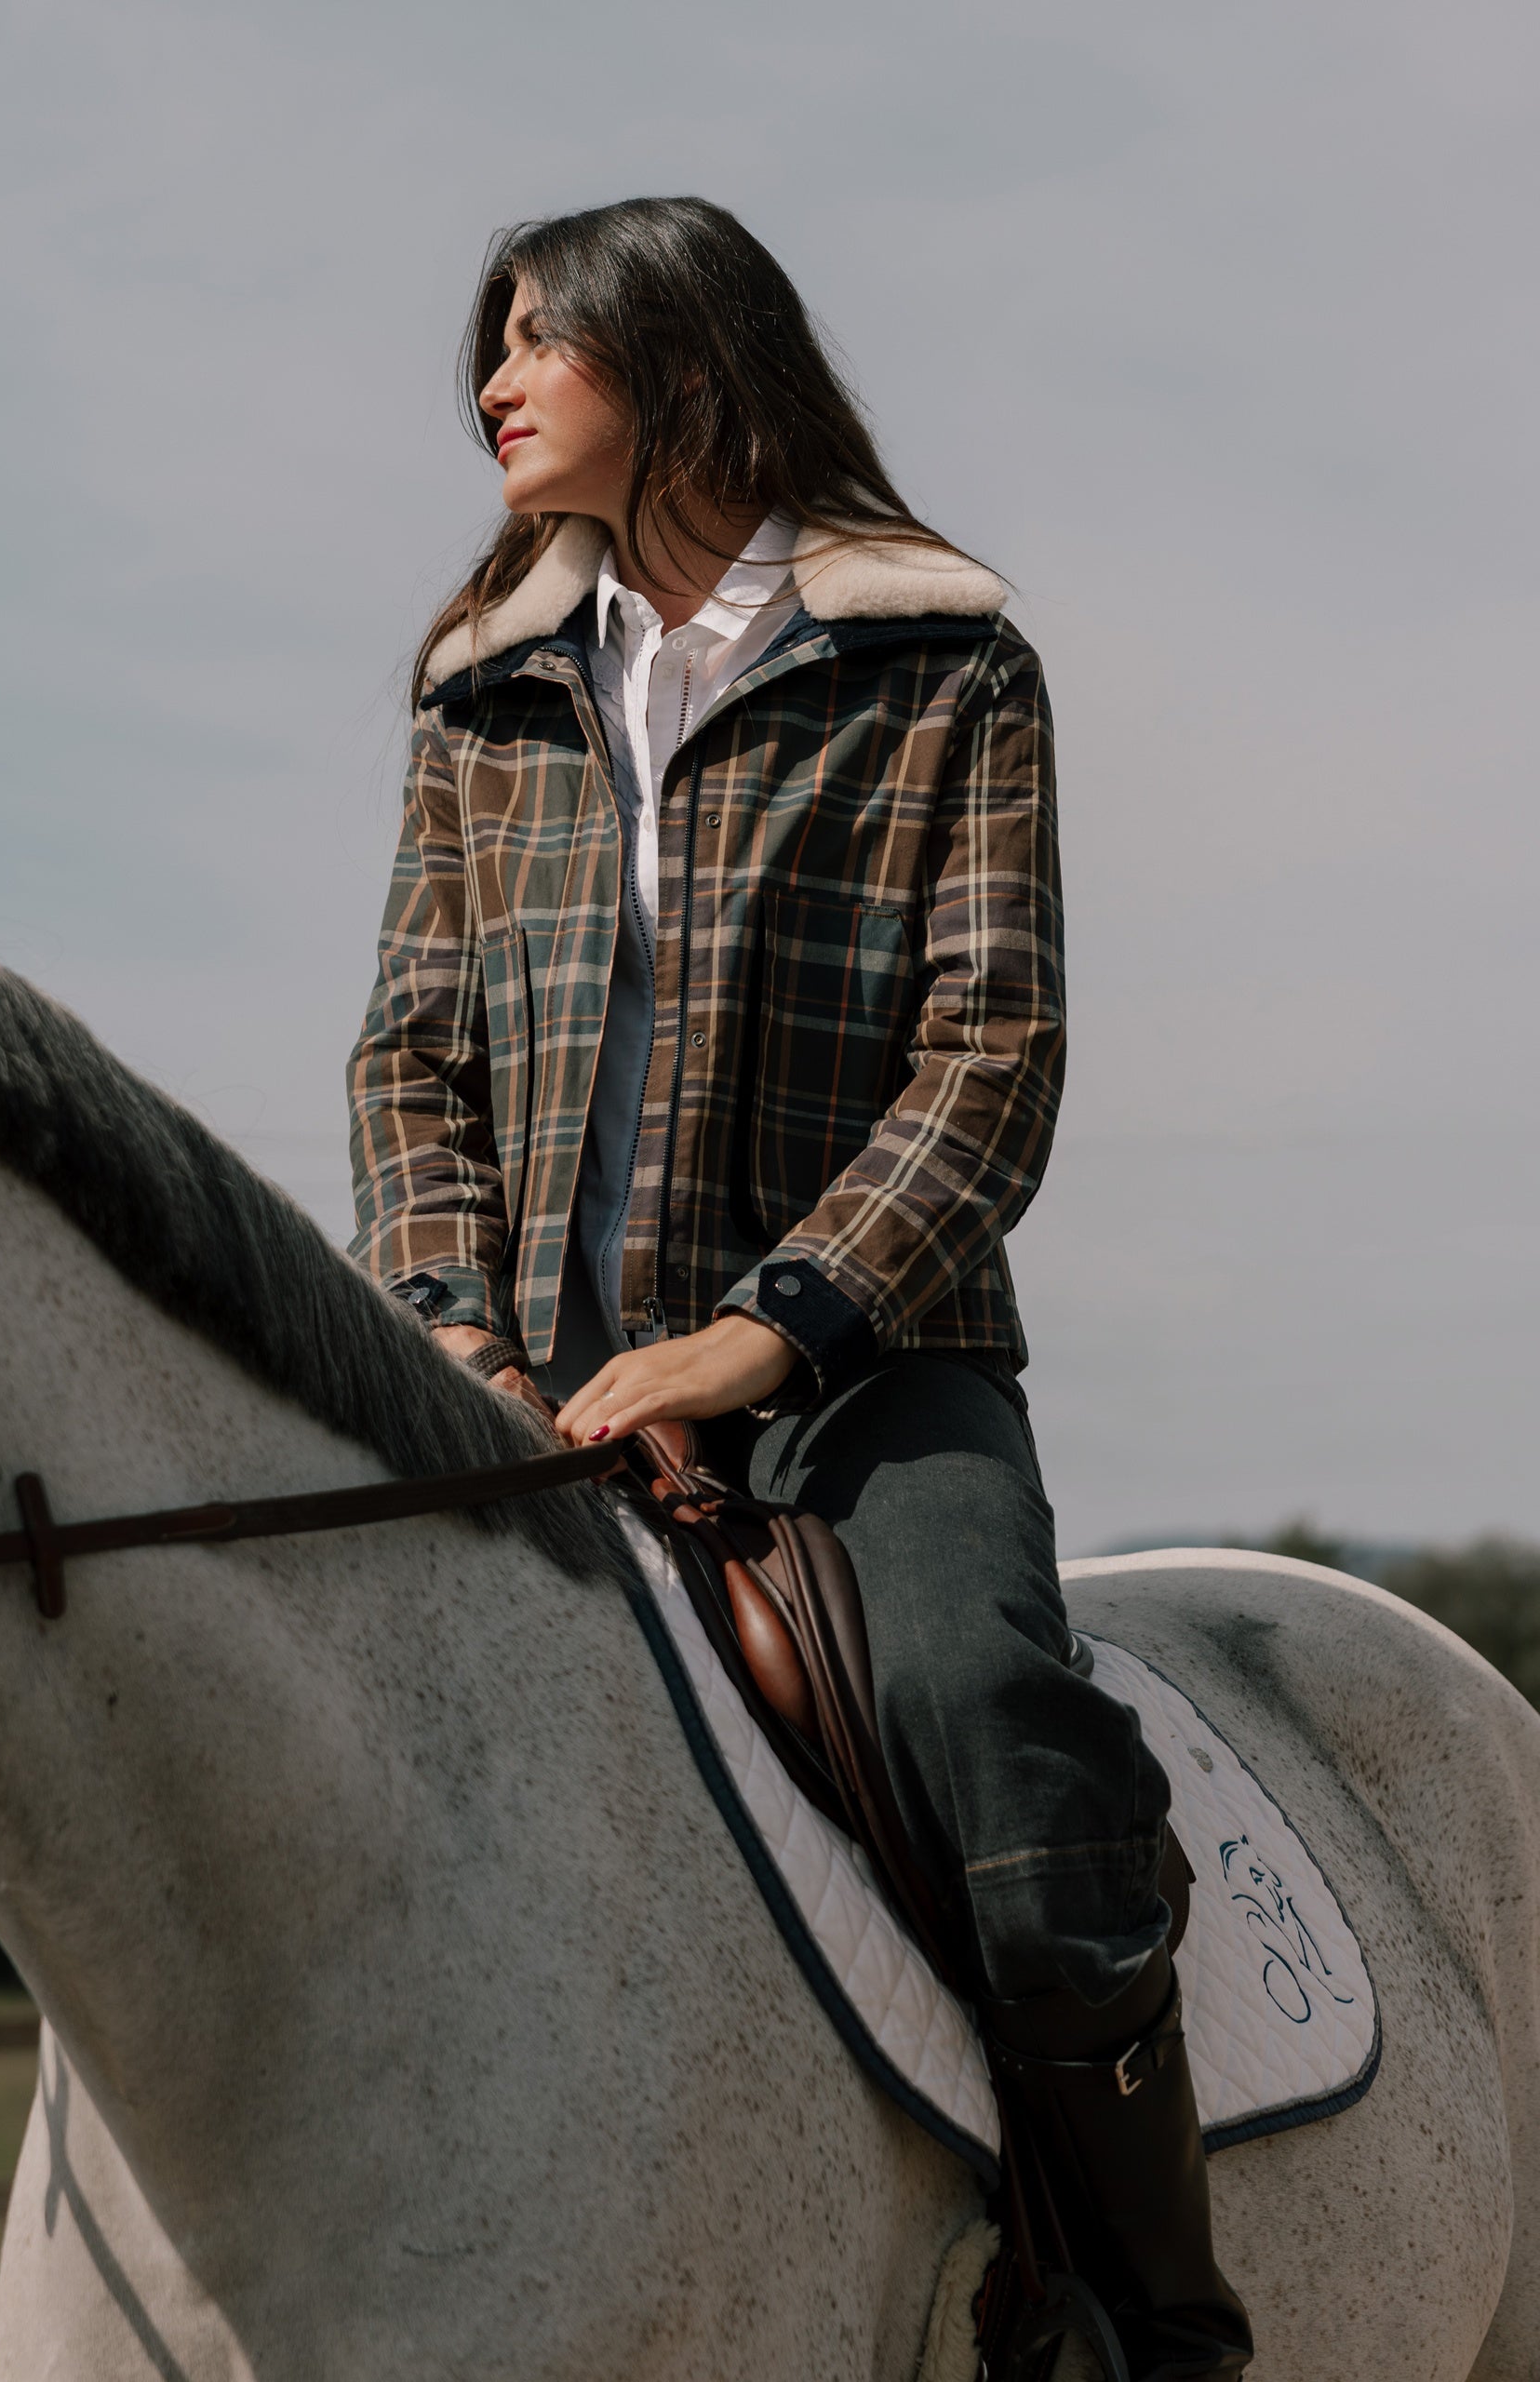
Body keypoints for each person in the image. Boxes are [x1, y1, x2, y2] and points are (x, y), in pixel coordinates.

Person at [348, 195, 1252, 2380]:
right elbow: (411, 1053)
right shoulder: (483, 694)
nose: (494, 378)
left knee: (1005, 1749)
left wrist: (754, 1337)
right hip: (527, 1391)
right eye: (493, 342)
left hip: (869, 1380)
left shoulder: (943, 666)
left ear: (690, 363)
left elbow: (991, 1059)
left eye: (542, 337)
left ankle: (1161, 2322)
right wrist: (462, 1332)